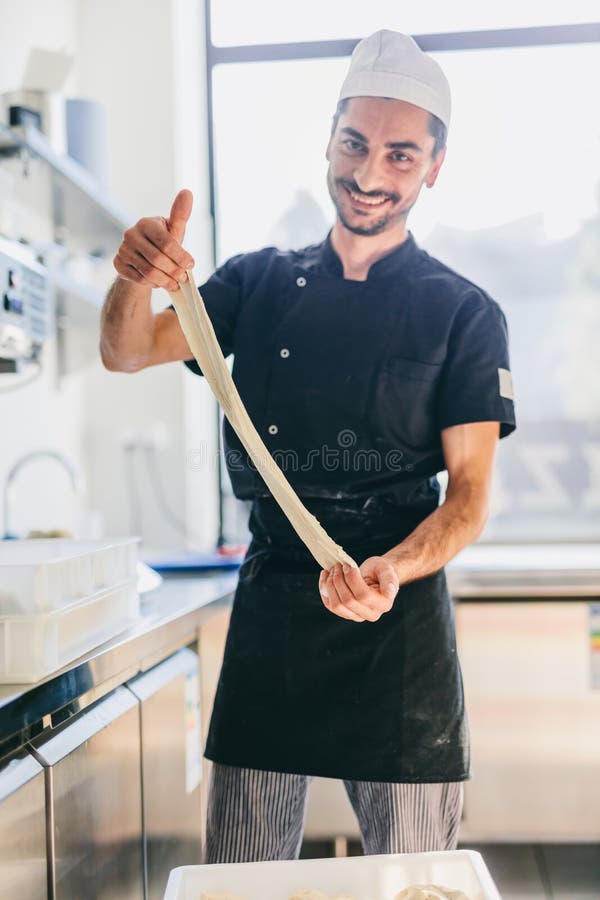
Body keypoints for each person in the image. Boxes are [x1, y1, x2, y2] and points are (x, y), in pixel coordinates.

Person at [100, 30, 516, 861]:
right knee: (245, 876)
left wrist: (393, 568)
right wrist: (130, 278)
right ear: (329, 140)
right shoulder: (253, 285)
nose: (369, 175)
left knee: (416, 880)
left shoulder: (463, 313)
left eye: (401, 156)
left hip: (397, 616)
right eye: (355, 144)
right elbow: (129, 349)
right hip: (276, 610)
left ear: (433, 168)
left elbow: (468, 495)